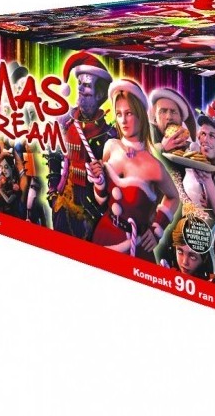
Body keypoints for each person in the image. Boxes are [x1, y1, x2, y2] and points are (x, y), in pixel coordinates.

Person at [88, 79, 178, 262]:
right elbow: (102, 199)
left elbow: (174, 197)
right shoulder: (110, 146)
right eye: (119, 114)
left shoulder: (153, 165)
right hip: (103, 234)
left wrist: (157, 229)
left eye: (128, 113)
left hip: (136, 248)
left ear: (140, 114)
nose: (123, 120)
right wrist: (98, 181)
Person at [52, 52, 116, 239]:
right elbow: (54, 153)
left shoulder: (110, 135)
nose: (79, 88)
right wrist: (52, 191)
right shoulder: (65, 121)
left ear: (100, 94)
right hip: (62, 204)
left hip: (90, 214)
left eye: (86, 85)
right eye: (79, 83)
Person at [149, 87, 197, 154]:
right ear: (155, 119)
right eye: (163, 111)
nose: (169, 117)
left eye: (173, 112)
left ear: (181, 118)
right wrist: (162, 148)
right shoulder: (144, 141)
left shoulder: (191, 150)